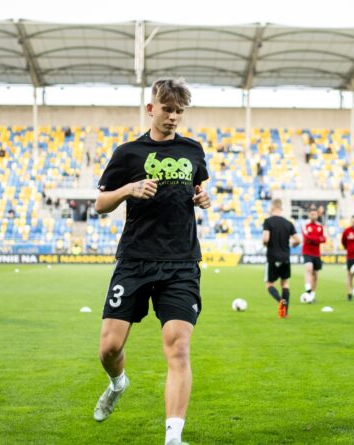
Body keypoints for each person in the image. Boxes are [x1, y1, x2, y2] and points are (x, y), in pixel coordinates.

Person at [92, 78, 210, 445]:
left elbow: (196, 189)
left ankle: (173, 437)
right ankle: (118, 382)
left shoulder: (193, 150)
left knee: (178, 346)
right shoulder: (128, 153)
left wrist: (202, 198)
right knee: (109, 349)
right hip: (135, 259)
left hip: (181, 262)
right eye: (168, 109)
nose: (173, 117)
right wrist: (129, 189)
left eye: (179, 111)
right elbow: (100, 204)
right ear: (151, 109)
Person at [262, 199, 301, 318]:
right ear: (281, 208)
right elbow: (298, 240)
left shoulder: (268, 221)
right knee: (285, 283)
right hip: (285, 257)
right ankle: (284, 313)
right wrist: (293, 245)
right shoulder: (288, 223)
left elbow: (265, 239)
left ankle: (280, 300)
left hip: (272, 257)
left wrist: (266, 244)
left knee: (269, 284)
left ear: (272, 208)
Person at [301, 208, 326, 302]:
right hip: (307, 252)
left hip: (316, 253)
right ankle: (308, 290)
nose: (313, 216)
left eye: (315, 214)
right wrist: (317, 239)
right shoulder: (305, 225)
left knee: (315, 275)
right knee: (309, 268)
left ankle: (312, 295)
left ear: (317, 215)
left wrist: (313, 239)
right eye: (311, 214)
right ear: (308, 214)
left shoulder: (320, 226)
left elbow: (324, 239)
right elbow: (306, 237)